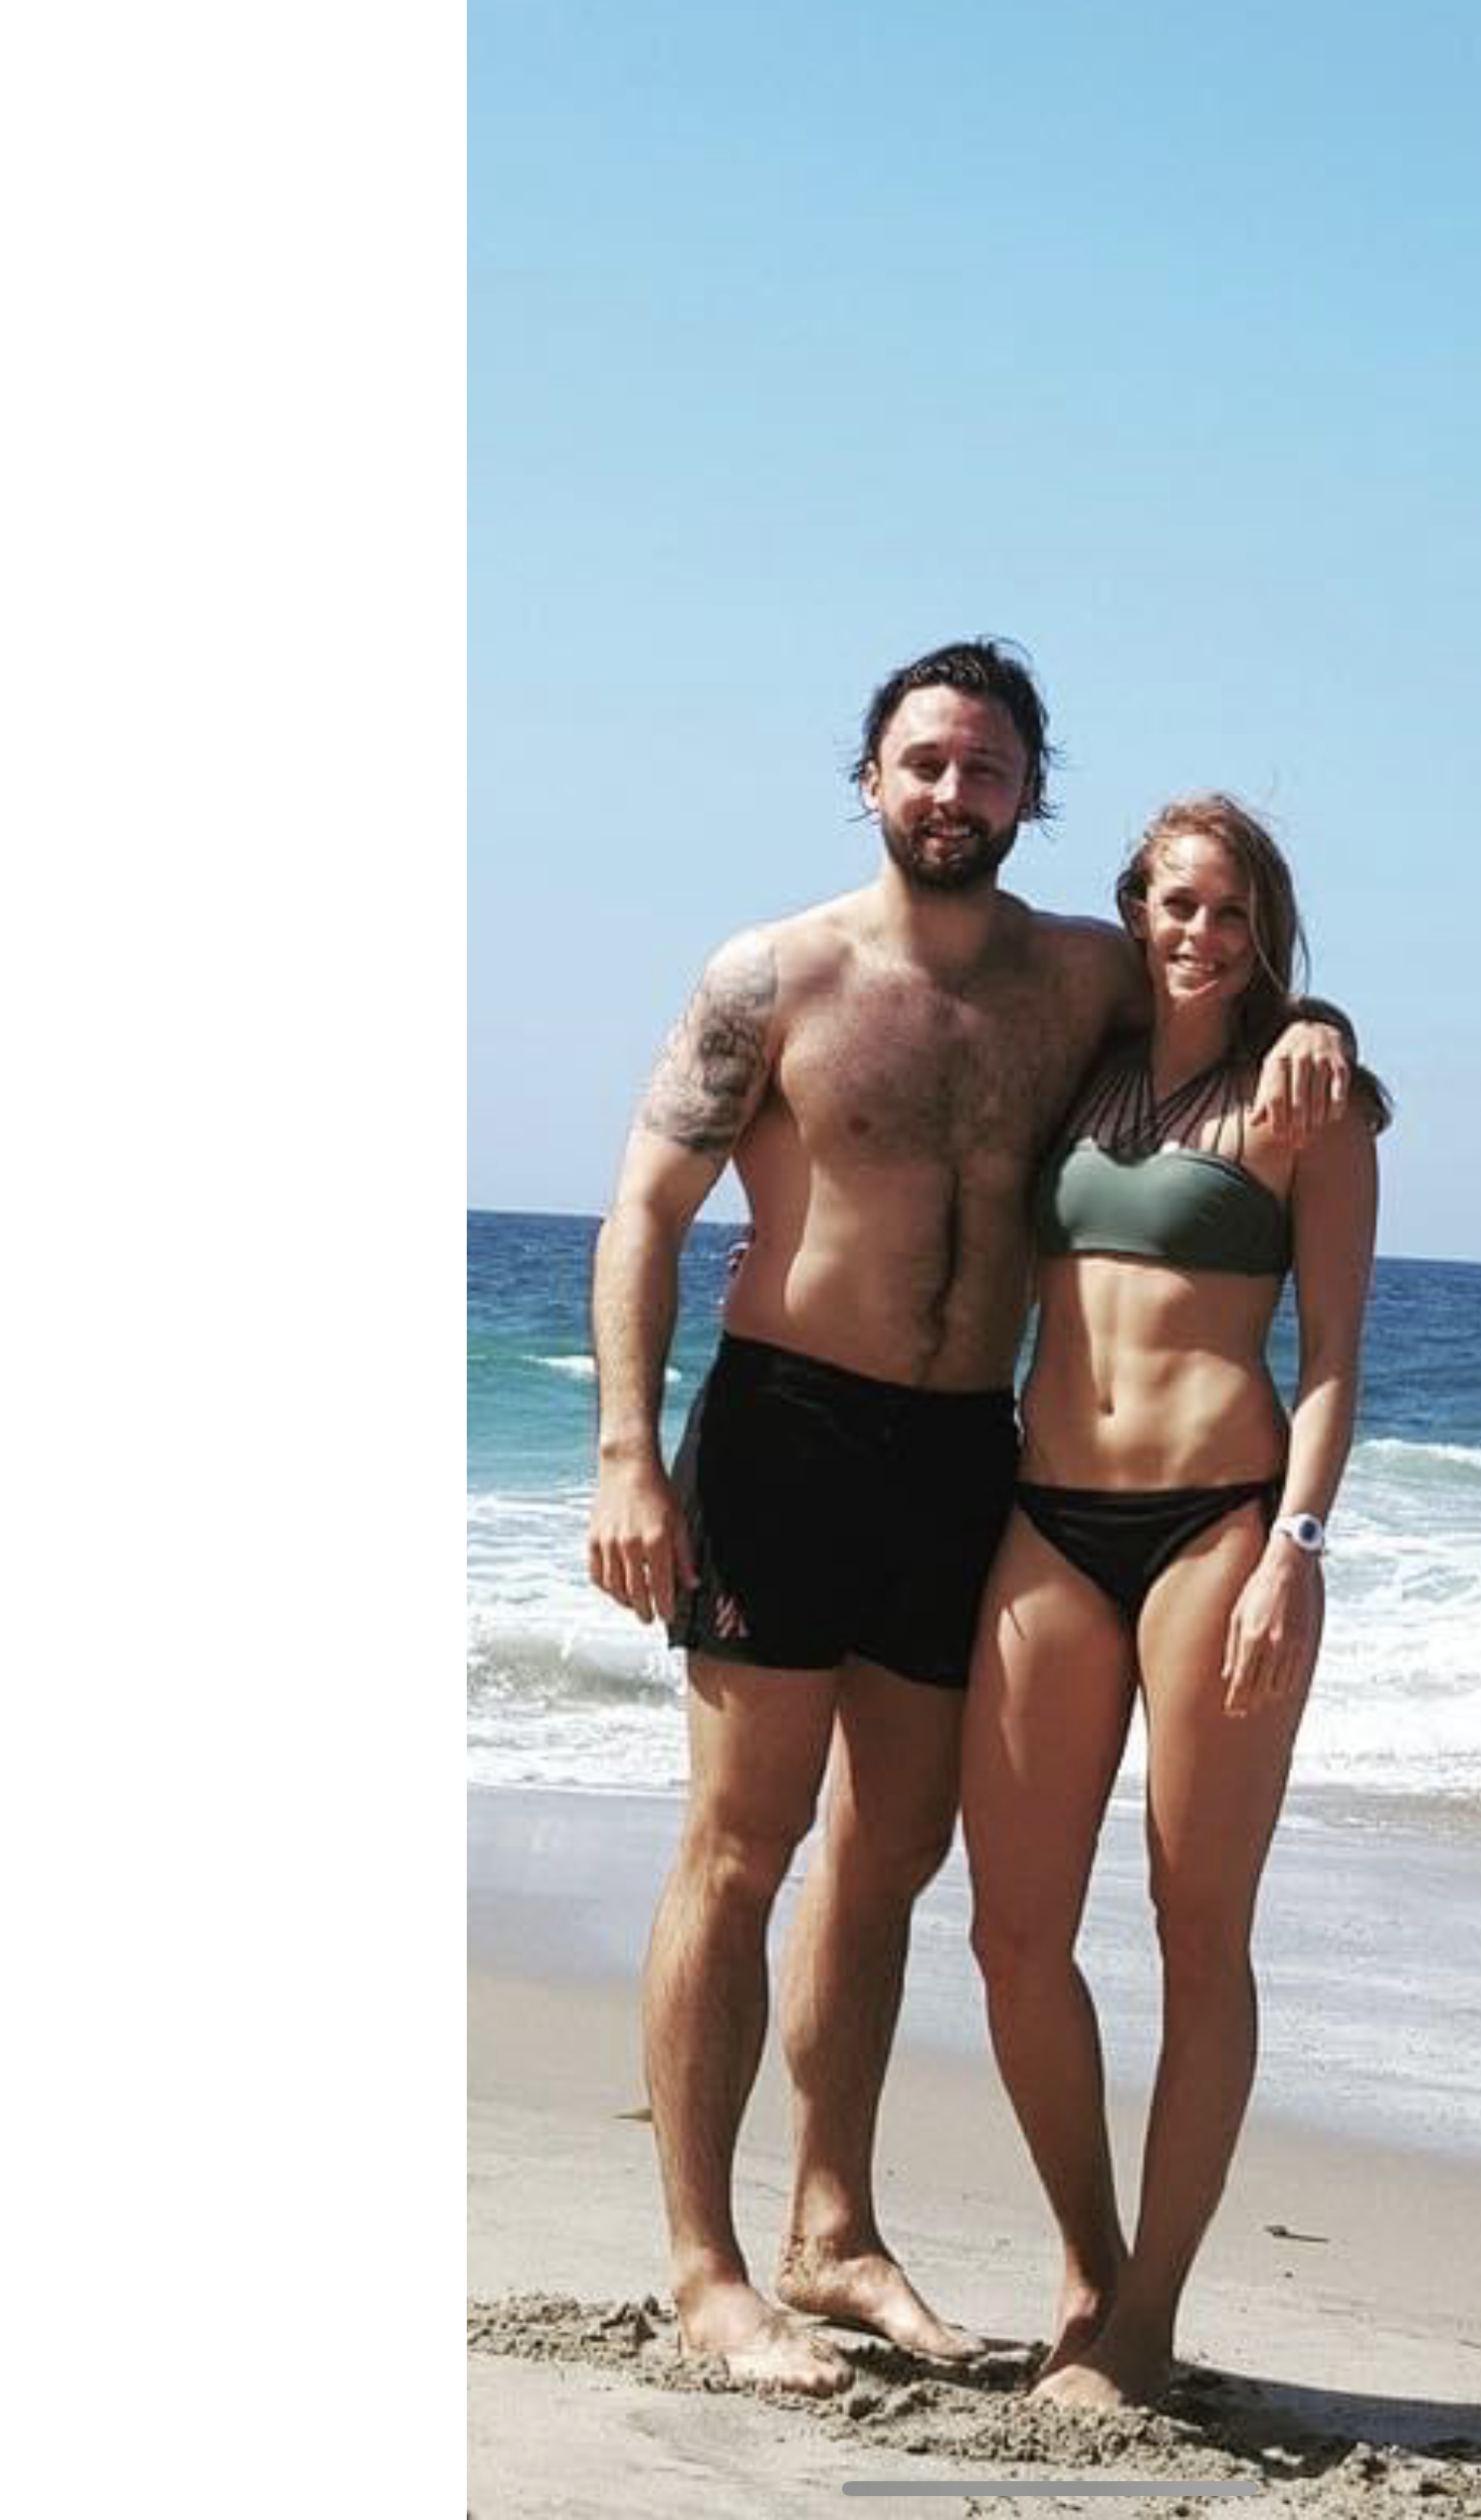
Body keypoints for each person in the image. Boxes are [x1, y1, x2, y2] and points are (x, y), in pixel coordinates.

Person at [584, 643, 1357, 2395]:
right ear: (871, 777)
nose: (953, 792)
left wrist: (1324, 1025)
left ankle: (833, 2230)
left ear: (1030, 794)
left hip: (960, 1461)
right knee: (742, 1843)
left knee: (890, 1853)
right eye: (924, 761)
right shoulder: (772, 974)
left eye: (987, 767)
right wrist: (628, 1450)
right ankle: (708, 2269)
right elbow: (645, 1211)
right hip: (784, 1431)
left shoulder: (1075, 977)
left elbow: (1229, 983)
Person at [959, 793, 1389, 2410]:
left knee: (1196, 1934)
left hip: (1220, 1531)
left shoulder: (1310, 1098)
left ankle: (1148, 2322)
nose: (1198, 932)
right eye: (1175, 903)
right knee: (1013, 1932)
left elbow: (1334, 1356)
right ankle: (1089, 2264)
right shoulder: (1082, 1061)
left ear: (1265, 931)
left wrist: (1296, 1547)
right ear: (1135, 908)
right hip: (1046, 1519)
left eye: (1229, 910)